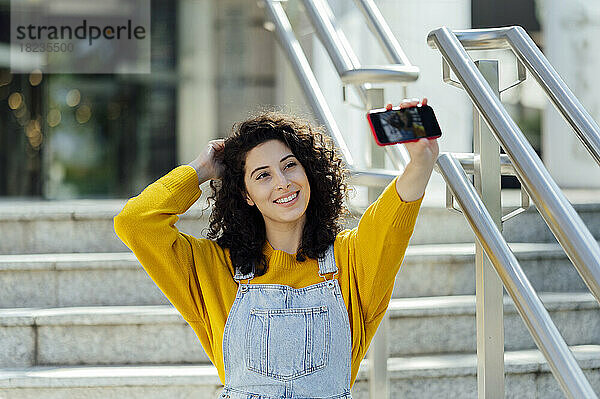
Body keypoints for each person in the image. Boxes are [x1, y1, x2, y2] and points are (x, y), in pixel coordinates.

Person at [114, 98, 439, 399]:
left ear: (308, 171)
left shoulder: (352, 260)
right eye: (263, 175)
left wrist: (421, 159)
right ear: (245, 194)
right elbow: (135, 222)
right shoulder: (214, 268)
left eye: (289, 165)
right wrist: (200, 169)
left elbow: (396, 212)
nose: (282, 182)